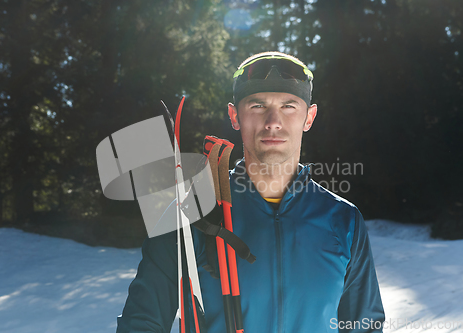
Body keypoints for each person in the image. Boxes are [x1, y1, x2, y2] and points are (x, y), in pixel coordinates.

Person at [116, 51, 385, 332]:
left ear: (309, 117)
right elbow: (141, 323)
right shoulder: (189, 214)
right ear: (235, 116)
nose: (273, 121)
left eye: (289, 106)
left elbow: (364, 325)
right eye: (257, 105)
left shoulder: (344, 220)